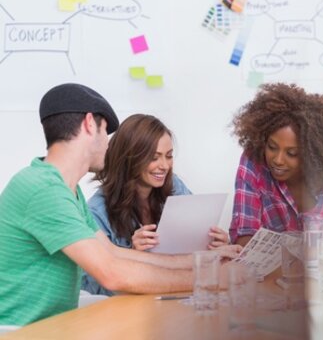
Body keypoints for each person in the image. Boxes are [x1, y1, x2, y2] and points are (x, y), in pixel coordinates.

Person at [0, 83, 240, 326]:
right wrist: (211, 279)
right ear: (90, 124)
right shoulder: (43, 189)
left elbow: (114, 253)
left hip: (50, 326)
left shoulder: (66, 190)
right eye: (106, 132)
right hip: (19, 331)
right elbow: (112, 273)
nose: (108, 144)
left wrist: (204, 261)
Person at [80, 114, 229, 295]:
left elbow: (192, 248)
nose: (164, 166)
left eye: (169, 156)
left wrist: (212, 241)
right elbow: (91, 288)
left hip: (178, 292)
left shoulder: (174, 186)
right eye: (154, 157)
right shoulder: (97, 211)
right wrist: (133, 254)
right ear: (130, 158)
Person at [226, 83, 323, 259]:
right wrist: (322, 252)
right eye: (272, 147)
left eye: (292, 153)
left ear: (313, 154)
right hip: (272, 275)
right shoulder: (254, 163)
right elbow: (244, 240)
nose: (278, 160)